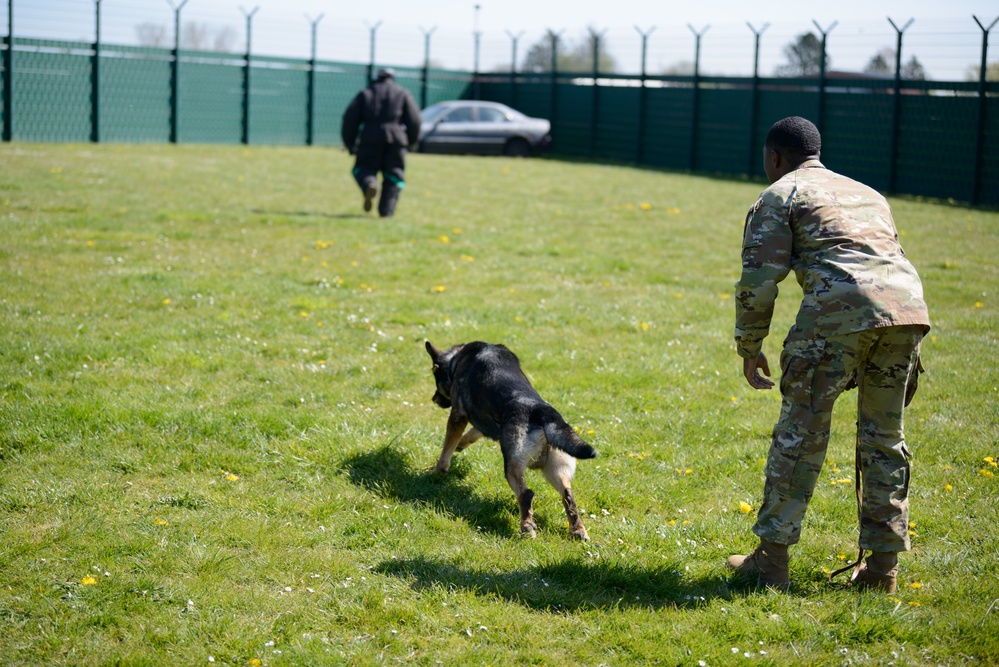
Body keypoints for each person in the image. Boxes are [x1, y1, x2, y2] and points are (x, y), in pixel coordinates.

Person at [727, 116, 930, 593]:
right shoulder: (868, 192)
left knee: (801, 436)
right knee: (884, 439)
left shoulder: (780, 194)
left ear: (773, 157)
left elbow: (758, 281)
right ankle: (882, 572)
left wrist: (749, 346)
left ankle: (771, 562)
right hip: (907, 311)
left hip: (837, 316)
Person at [341, 68, 422, 218]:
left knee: (363, 168)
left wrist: (350, 143)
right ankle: (386, 212)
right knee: (394, 175)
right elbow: (415, 120)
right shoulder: (402, 93)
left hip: (369, 138)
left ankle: (369, 184)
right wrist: (411, 142)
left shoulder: (366, 93)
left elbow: (349, 119)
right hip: (396, 140)